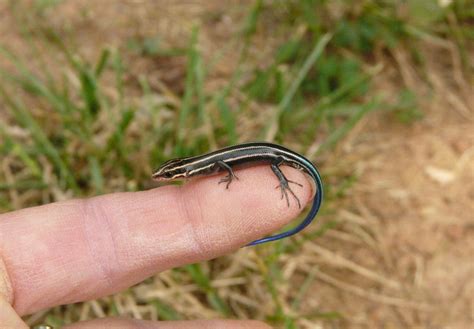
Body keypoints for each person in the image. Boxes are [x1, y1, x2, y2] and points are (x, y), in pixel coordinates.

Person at [0, 165, 311, 328]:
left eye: (169, 175)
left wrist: (273, 178)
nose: (164, 178)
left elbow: (225, 167)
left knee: (276, 176)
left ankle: (285, 182)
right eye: (167, 174)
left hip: (278, 159)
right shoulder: (199, 169)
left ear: (183, 174)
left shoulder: (205, 168)